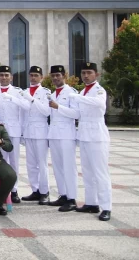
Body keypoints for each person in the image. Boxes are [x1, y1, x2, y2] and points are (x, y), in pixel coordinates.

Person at [69, 62, 112, 221]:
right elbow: (77, 113)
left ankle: (106, 206)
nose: (85, 76)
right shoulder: (83, 91)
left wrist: (78, 97)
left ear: (96, 74)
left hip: (97, 136)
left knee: (100, 172)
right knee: (87, 171)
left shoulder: (99, 90)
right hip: (85, 134)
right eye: (83, 73)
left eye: (89, 72)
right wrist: (58, 107)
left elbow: (100, 104)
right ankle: (91, 202)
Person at [0, 65, 29, 203]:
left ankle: (14, 189)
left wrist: (12, 98)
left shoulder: (18, 92)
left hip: (14, 130)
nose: (4, 77)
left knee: (14, 161)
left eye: (7, 75)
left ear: (11, 77)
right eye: (1, 75)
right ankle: (3, 189)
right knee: (1, 161)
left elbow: (25, 108)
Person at [47, 65, 80, 212]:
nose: (55, 78)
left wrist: (58, 106)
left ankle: (72, 198)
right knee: (58, 167)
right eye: (53, 76)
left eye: (58, 75)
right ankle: (63, 194)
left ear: (64, 76)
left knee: (69, 167)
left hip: (67, 134)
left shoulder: (71, 93)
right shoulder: (53, 94)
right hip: (54, 134)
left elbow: (76, 114)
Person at [20, 66, 51, 205]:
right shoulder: (25, 92)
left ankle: (45, 192)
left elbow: (46, 111)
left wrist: (32, 100)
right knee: (31, 164)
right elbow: (22, 113)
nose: (33, 77)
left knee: (42, 164)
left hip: (40, 131)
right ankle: (35, 190)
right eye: (31, 75)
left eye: (36, 75)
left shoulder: (45, 92)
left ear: (41, 77)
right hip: (28, 131)